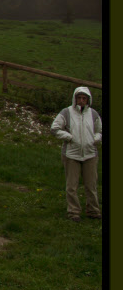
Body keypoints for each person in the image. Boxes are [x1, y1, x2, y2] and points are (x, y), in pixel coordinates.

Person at [51, 87, 103, 222]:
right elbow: (55, 128)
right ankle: (73, 212)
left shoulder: (93, 114)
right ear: (75, 98)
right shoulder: (66, 112)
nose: (81, 100)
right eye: (79, 98)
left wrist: (95, 139)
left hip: (90, 154)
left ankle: (93, 211)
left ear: (88, 100)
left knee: (91, 185)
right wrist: (69, 137)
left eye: (84, 98)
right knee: (71, 186)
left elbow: (99, 131)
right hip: (71, 155)